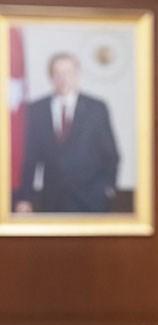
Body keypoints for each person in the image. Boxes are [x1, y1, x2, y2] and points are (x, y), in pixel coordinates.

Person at [15, 52, 119, 213]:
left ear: (77, 75)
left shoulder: (96, 108)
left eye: (68, 72)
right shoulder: (36, 110)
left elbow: (111, 154)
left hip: (91, 201)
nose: (63, 78)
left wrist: (107, 188)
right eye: (57, 73)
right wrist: (25, 198)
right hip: (52, 200)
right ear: (51, 77)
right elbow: (30, 158)